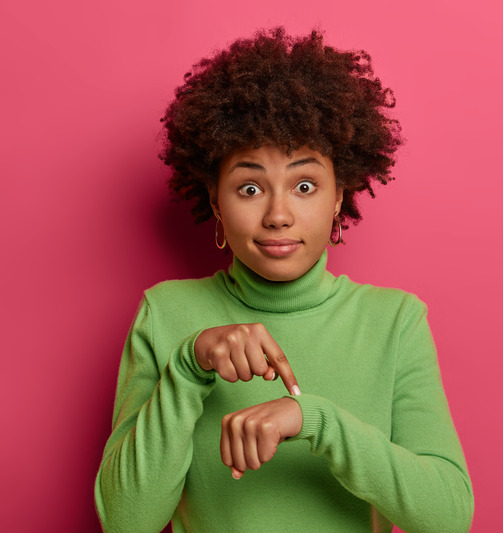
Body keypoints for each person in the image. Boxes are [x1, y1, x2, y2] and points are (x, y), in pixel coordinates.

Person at [94, 27, 474, 533]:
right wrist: (187, 366)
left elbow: (449, 517)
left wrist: (316, 421)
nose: (278, 215)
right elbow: (125, 522)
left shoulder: (395, 321)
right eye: (250, 187)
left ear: (339, 194)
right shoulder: (165, 313)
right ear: (215, 202)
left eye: (304, 185)